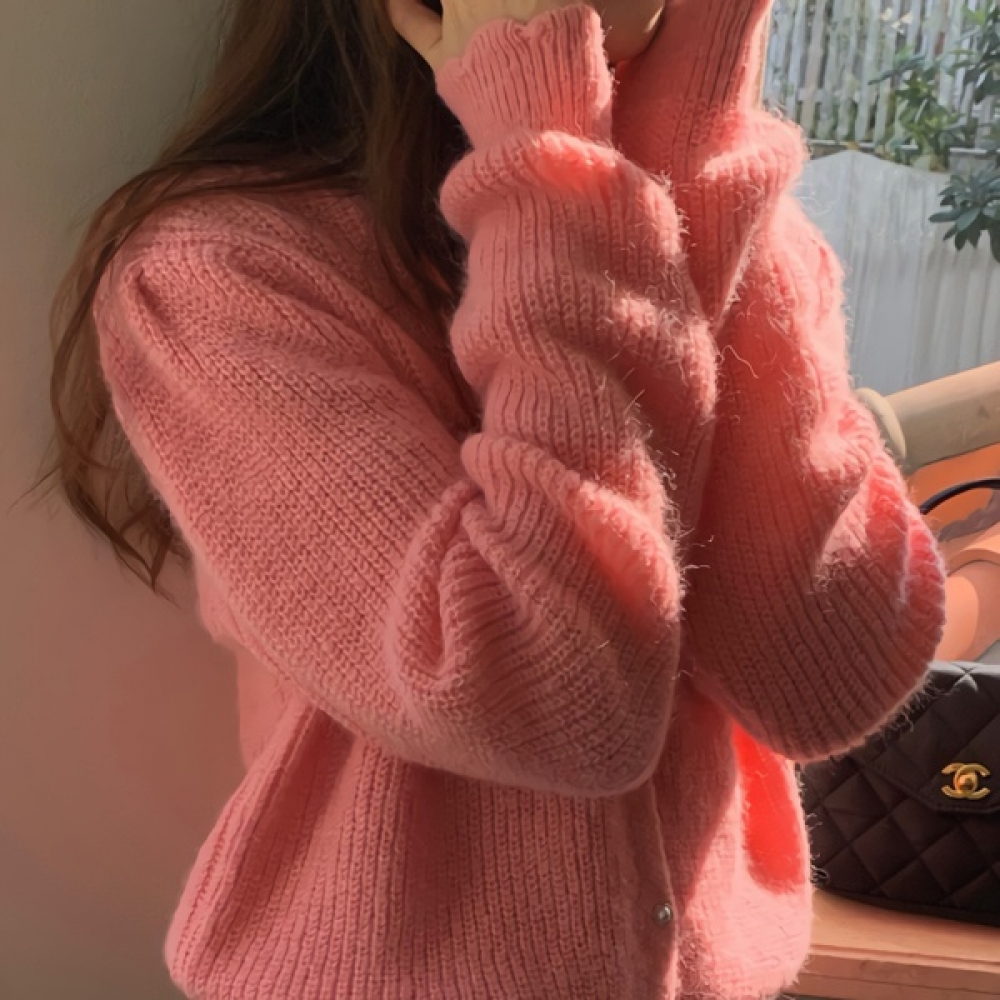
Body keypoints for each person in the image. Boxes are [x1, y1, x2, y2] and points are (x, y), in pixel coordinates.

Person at [46, 0, 945, 996]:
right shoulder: (225, 272)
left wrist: (691, 159)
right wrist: (556, 164)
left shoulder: (738, 225)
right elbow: (548, 699)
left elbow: (821, 682)